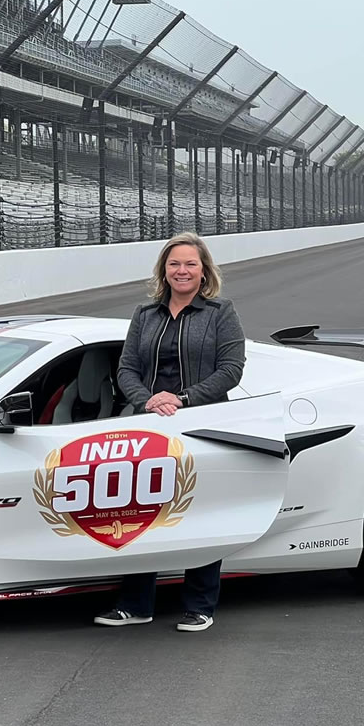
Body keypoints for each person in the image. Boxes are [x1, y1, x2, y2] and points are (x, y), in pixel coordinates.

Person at [93, 231, 246, 633]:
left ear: (203, 270)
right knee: (140, 511)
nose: (182, 270)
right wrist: (147, 400)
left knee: (202, 513)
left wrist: (183, 399)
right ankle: (136, 604)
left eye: (190, 264)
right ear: (164, 269)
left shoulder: (220, 312)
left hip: (201, 422)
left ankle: (200, 605)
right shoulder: (145, 315)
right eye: (174, 263)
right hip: (147, 424)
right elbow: (125, 368)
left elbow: (231, 370)